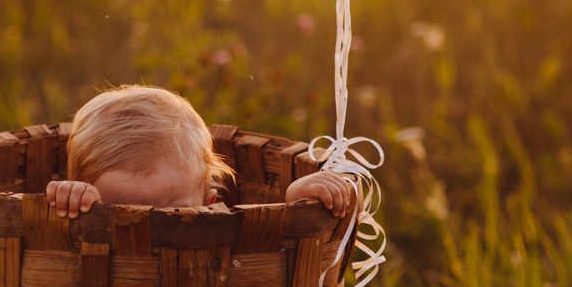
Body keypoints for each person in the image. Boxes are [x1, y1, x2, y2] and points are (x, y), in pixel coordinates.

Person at [45, 85, 353, 217]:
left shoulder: (224, 229)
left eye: (176, 213)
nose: (149, 232)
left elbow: (283, 245)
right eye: (117, 214)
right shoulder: (80, 233)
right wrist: (67, 206)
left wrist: (300, 202)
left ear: (209, 204)